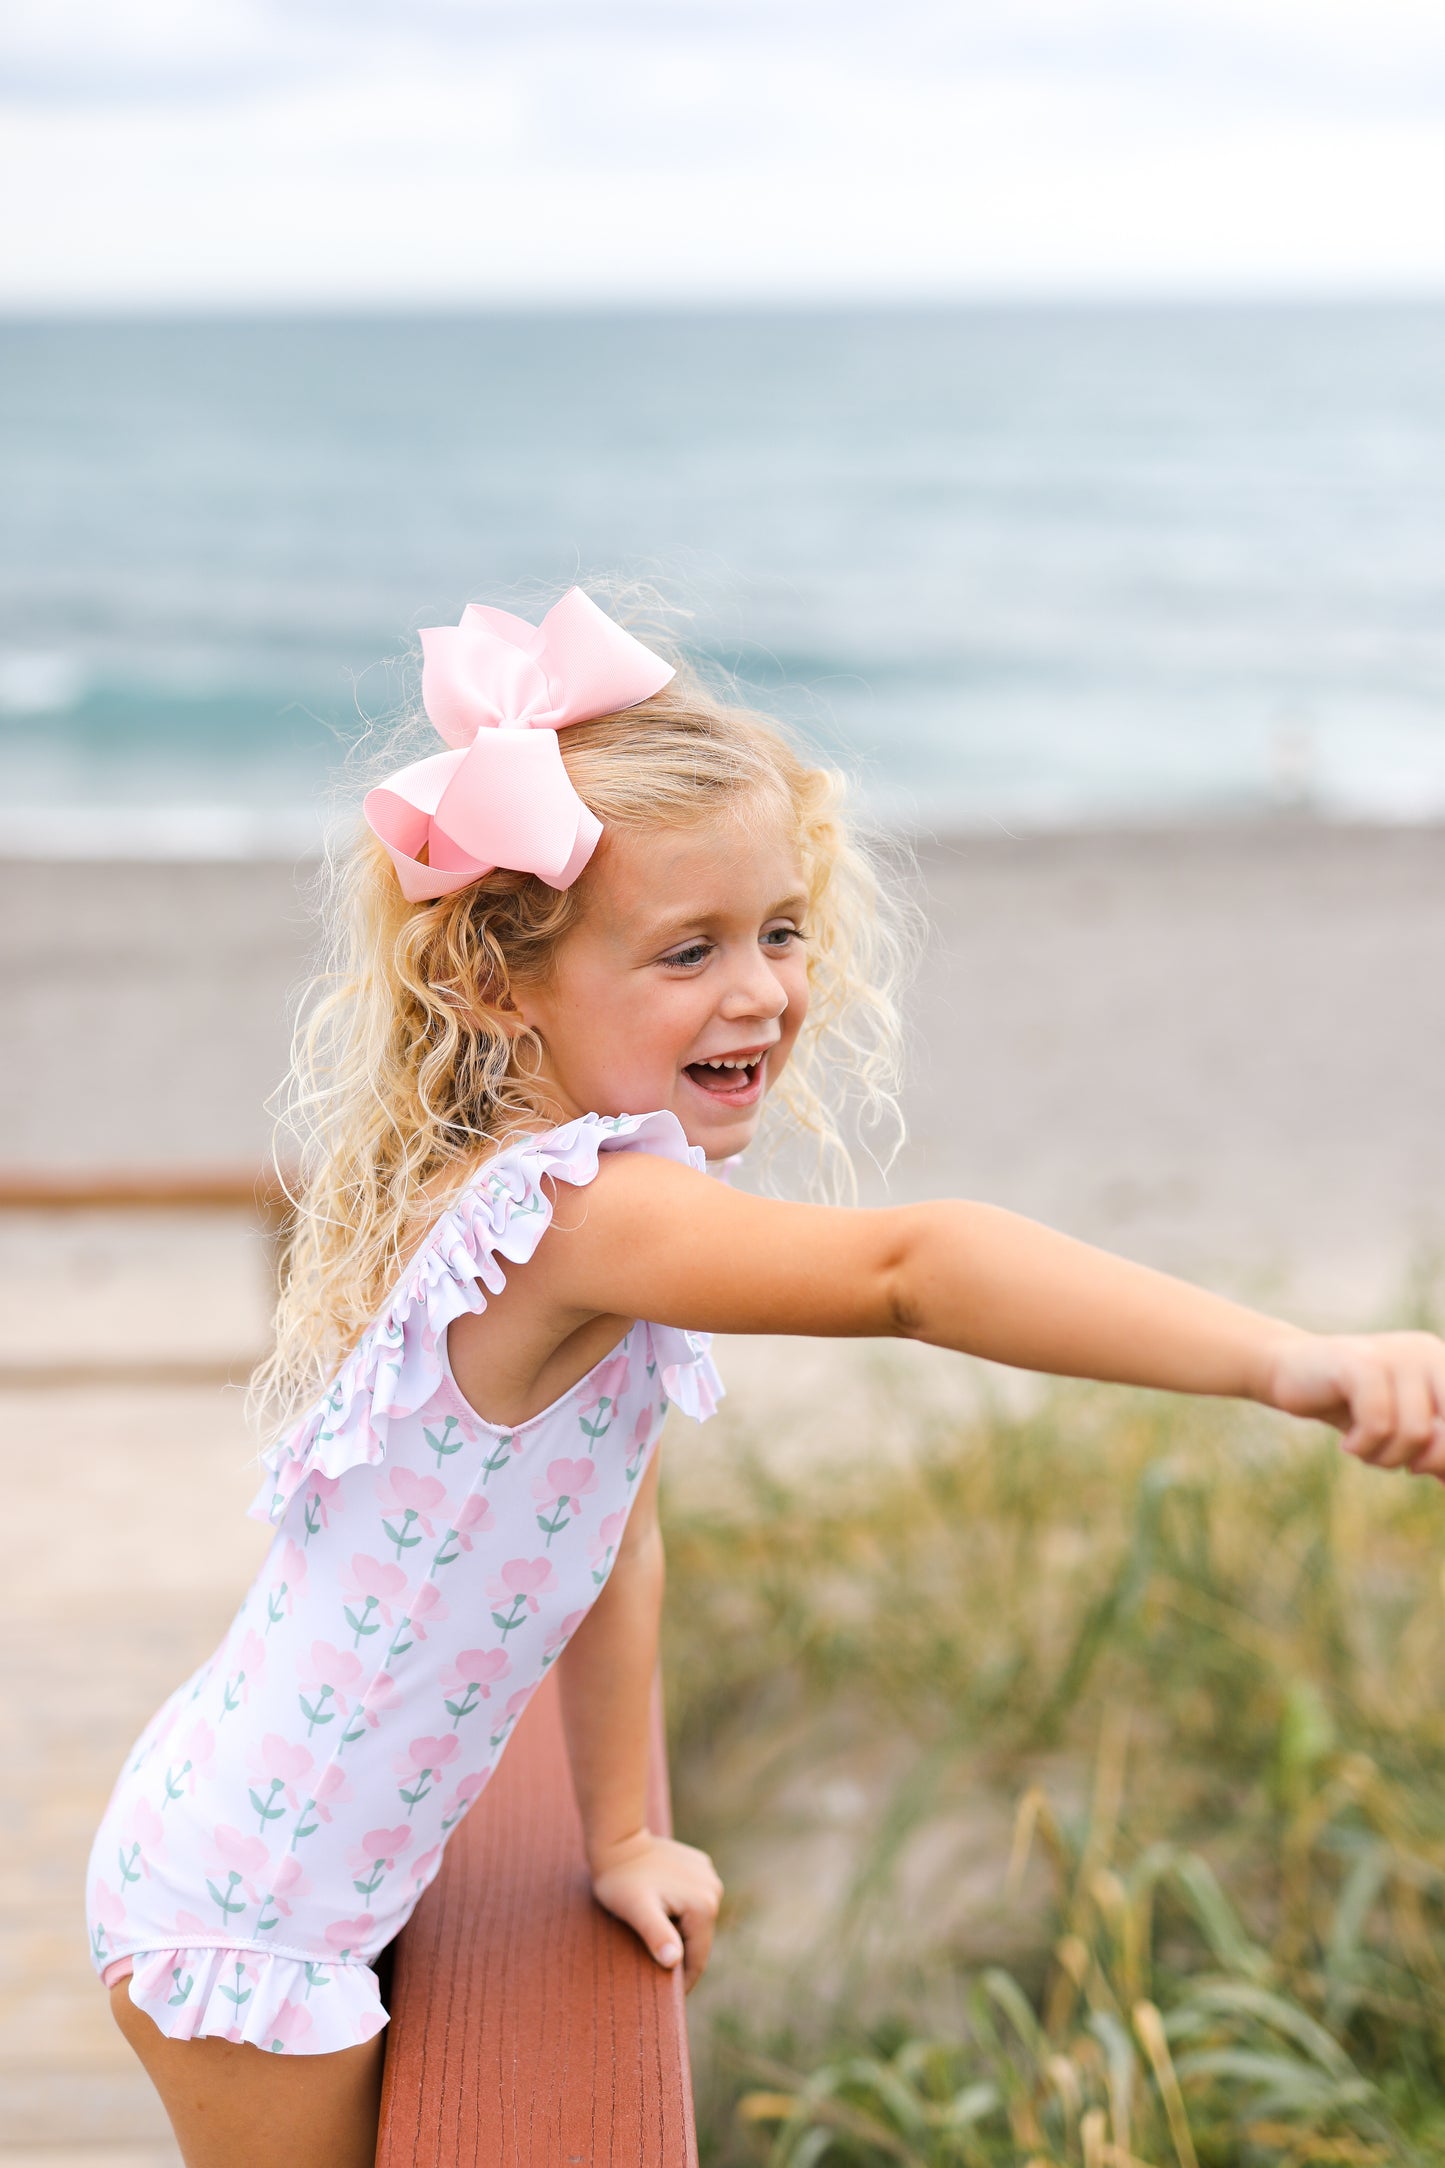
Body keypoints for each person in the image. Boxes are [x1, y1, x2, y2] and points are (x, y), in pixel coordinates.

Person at [87, 588, 1445, 2166]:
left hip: (257, 1833)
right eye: (687, 951)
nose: (762, 991)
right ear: (494, 982)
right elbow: (912, 1273)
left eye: (780, 929)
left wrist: (619, 1834)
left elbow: (608, 1541)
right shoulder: (576, 1218)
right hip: (256, 1924)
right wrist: (1296, 1360)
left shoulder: (563, 1202)